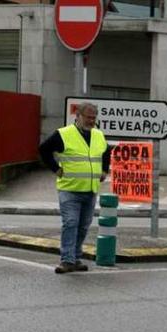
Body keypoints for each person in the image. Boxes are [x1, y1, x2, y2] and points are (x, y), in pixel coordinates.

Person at [38, 102, 112, 274]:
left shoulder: (98, 135)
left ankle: (75, 257)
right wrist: (55, 168)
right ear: (77, 116)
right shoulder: (64, 134)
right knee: (71, 223)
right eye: (88, 117)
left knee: (83, 226)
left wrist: (104, 170)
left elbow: (106, 152)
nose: (92, 121)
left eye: (94, 118)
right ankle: (67, 260)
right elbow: (43, 149)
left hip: (90, 189)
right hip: (70, 189)